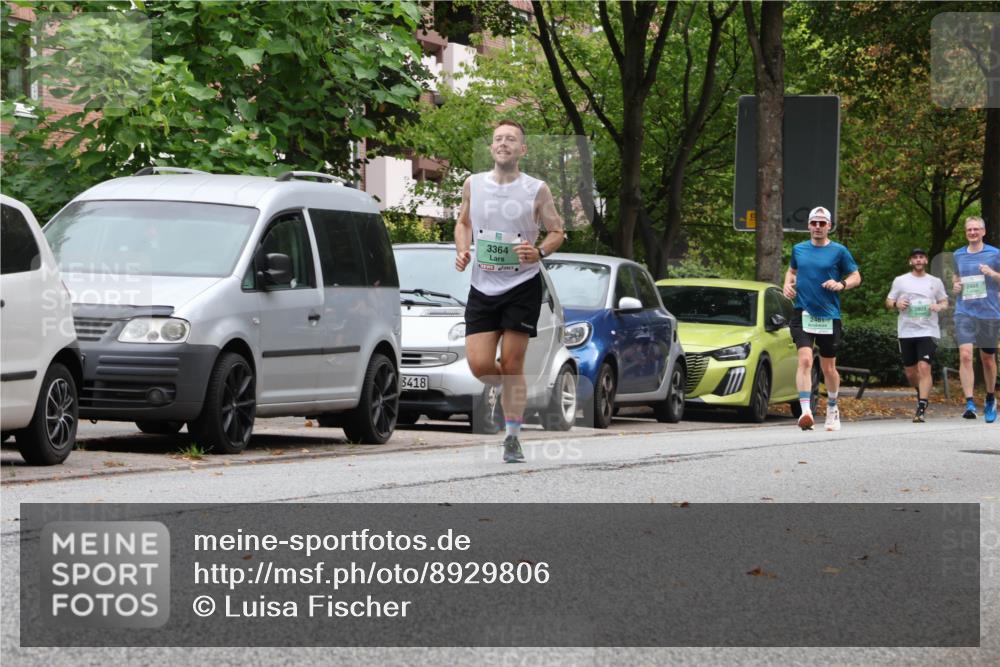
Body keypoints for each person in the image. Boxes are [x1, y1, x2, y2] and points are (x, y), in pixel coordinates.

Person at [455, 119, 566, 462]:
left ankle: (512, 437)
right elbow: (463, 223)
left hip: (522, 285)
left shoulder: (537, 189)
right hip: (482, 285)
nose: (503, 143)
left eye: (511, 139)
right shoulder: (473, 184)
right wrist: (462, 250)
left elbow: (557, 231)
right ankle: (510, 388)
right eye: (498, 138)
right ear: (492, 147)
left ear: (522, 149)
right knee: (481, 366)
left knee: (513, 362)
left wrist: (540, 252)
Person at [782, 206, 861, 431]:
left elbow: (856, 276)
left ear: (829, 226)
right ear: (808, 225)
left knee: (829, 368)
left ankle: (833, 407)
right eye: (814, 223)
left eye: (822, 223)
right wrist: (787, 284)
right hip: (803, 313)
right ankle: (806, 411)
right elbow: (792, 271)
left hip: (828, 315)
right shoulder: (798, 249)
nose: (818, 227)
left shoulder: (839, 251)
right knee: (805, 360)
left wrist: (841, 284)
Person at [885, 249, 949, 422]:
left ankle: (921, 406)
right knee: (911, 373)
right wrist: (896, 303)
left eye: (921, 257)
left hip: (928, 331)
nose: (918, 260)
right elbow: (889, 301)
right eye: (915, 258)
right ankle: (922, 391)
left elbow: (944, 301)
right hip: (906, 331)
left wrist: (939, 306)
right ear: (910, 261)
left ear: (926, 260)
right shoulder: (900, 281)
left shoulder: (935, 282)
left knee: (924, 367)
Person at [951, 216, 1000, 423]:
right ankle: (969, 403)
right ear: (966, 232)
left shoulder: (995, 253)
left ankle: (990, 398)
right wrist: (955, 286)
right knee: (965, 355)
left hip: (989, 312)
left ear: (983, 232)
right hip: (964, 311)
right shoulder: (958, 254)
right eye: (969, 230)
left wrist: (992, 273)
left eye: (976, 229)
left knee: (987, 359)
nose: (972, 232)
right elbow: (956, 277)